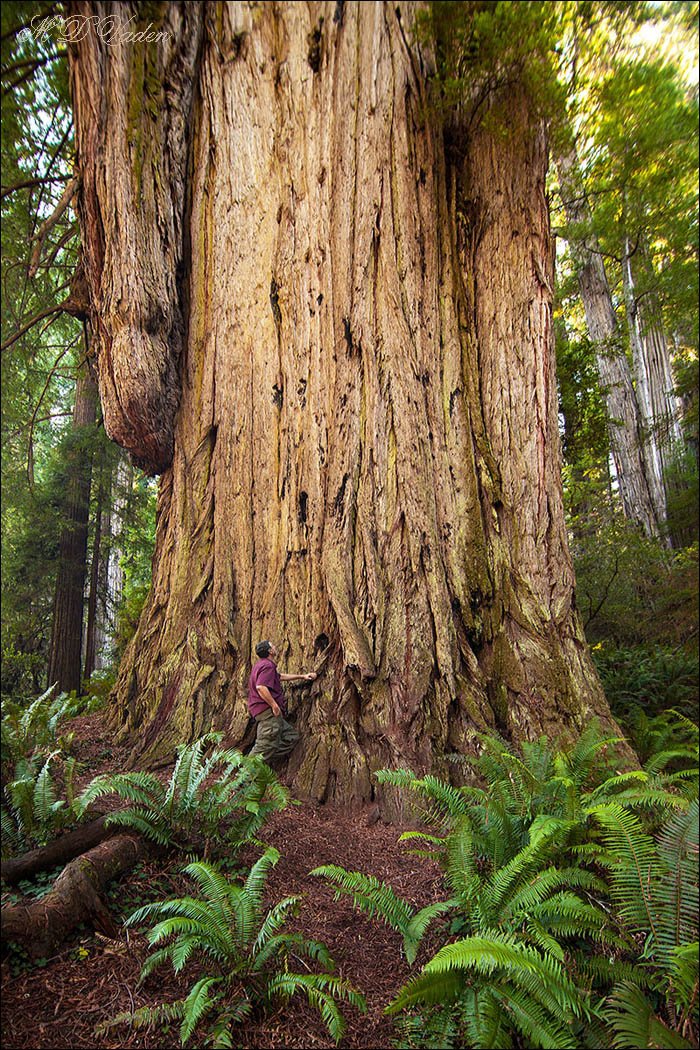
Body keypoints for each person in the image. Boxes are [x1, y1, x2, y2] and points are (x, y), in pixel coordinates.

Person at [248, 640, 316, 764]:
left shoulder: (262, 665)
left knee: (291, 737)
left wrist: (302, 676)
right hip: (268, 713)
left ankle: (264, 762)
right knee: (263, 747)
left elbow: (279, 677)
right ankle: (243, 778)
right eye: (272, 645)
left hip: (268, 713)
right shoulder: (267, 666)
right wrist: (274, 705)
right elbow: (261, 687)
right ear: (270, 651)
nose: (275, 646)